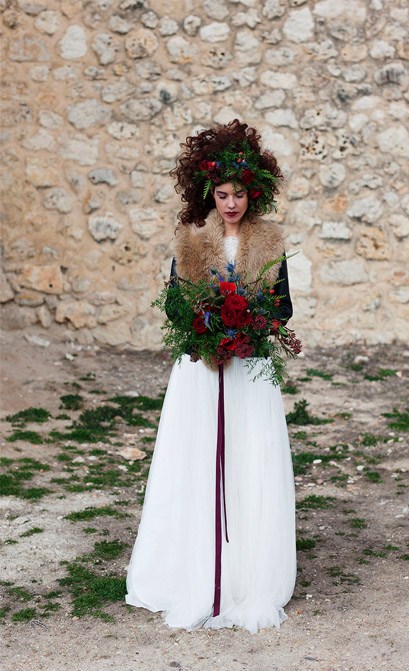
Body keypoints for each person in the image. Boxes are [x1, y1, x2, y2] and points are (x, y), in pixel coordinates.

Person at [125, 119, 297, 633]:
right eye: (222, 193)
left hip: (248, 368)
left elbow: (284, 307)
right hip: (202, 368)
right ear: (208, 194)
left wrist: (249, 324)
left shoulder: (269, 241)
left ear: (253, 193)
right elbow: (177, 303)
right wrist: (209, 328)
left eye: (239, 194)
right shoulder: (190, 239)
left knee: (249, 458)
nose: (230, 204)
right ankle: (192, 566)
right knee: (197, 458)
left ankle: (249, 571)